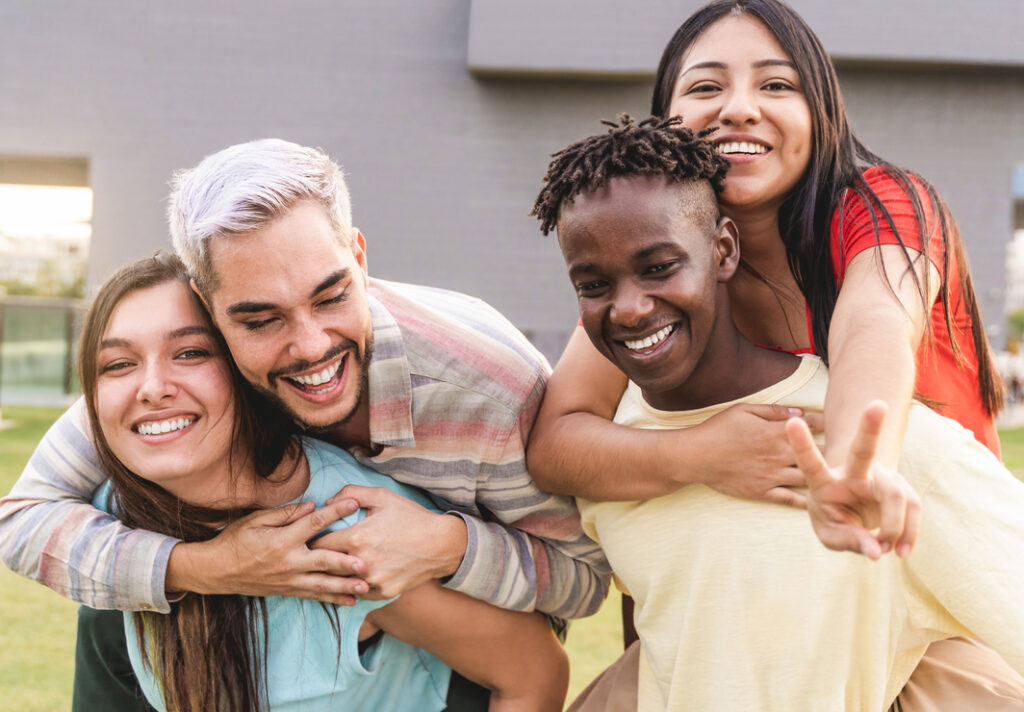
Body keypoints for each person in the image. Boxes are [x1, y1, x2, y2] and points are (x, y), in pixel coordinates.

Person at [525, 0, 1015, 708]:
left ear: (820, 110)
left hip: (919, 579)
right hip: (775, 600)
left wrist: (858, 464)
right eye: (705, 87)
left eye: (776, 85)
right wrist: (705, 453)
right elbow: (560, 438)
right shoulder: (656, 265)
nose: (739, 109)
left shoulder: (877, 205)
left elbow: (873, 325)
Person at [0, 139, 609, 706]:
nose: (310, 346)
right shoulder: (177, 384)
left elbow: (581, 585)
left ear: (359, 258)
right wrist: (209, 567)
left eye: (330, 296)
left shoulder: (489, 390)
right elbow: (22, 517)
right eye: (261, 320)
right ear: (213, 313)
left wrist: (445, 543)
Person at [75, 252, 568, 712]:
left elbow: (534, 673)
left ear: (241, 365)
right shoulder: (106, 533)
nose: (153, 388)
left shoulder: (344, 526)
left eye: (189, 353)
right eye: (119, 364)